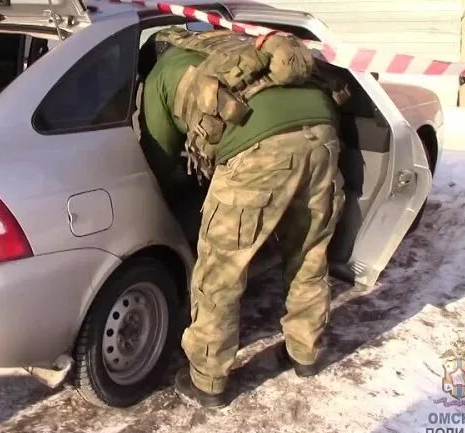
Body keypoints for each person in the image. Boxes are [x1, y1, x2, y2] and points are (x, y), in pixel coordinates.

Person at [137, 27, 346, 408]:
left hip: (259, 153)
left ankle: (208, 379)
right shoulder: (232, 48)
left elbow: (158, 152)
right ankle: (305, 352)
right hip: (323, 134)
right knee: (309, 253)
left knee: (221, 271)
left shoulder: (159, 75)